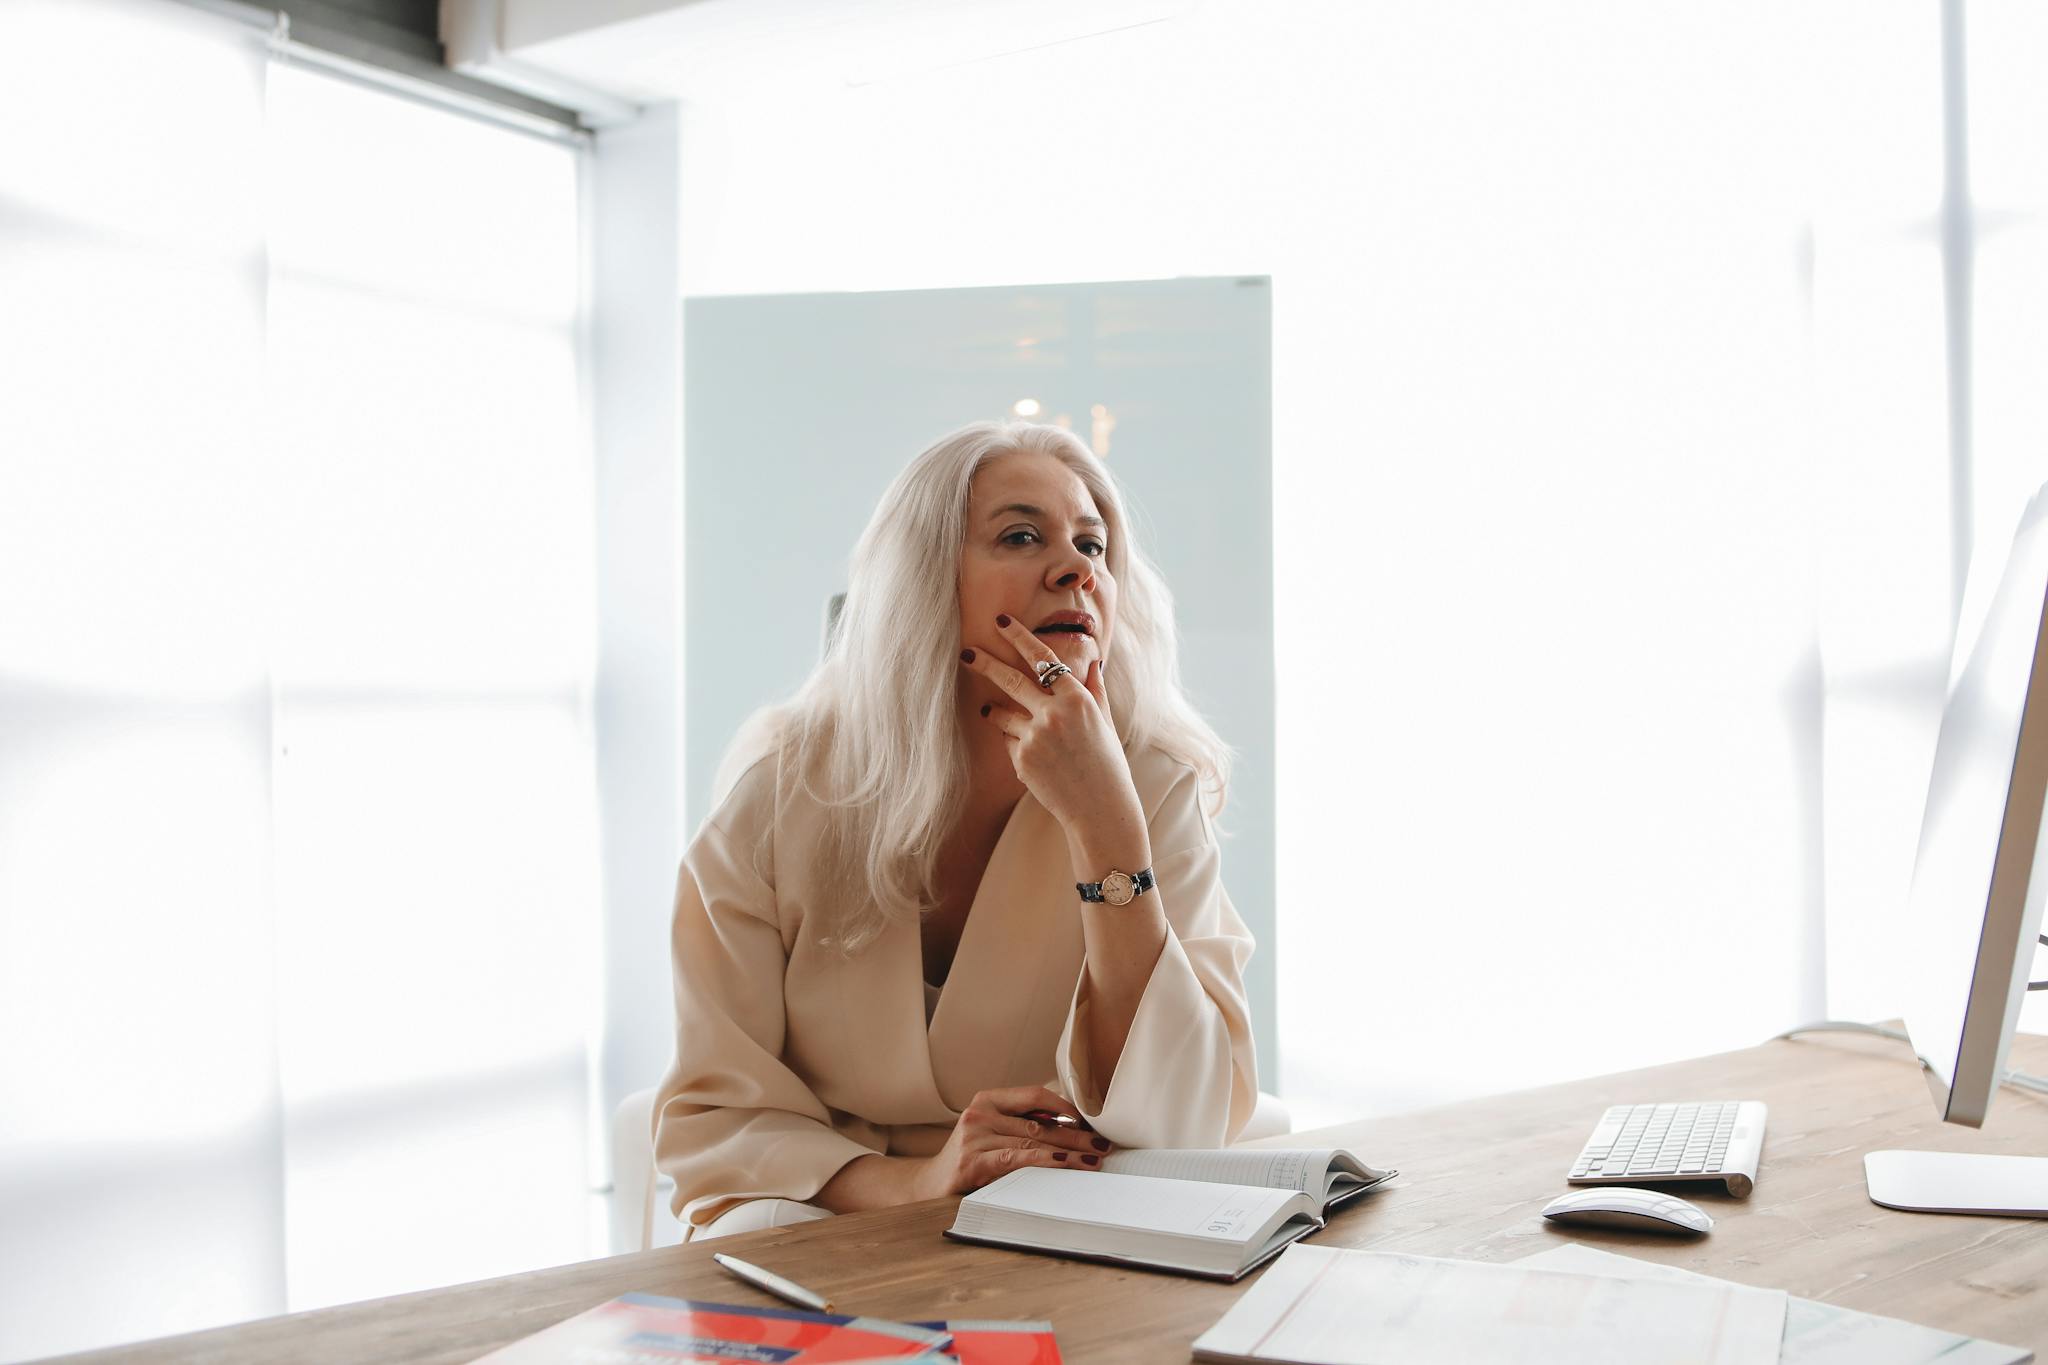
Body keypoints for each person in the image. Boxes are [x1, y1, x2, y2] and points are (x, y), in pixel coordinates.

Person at [653, 419, 1257, 1240]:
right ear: (923, 579)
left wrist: (1106, 830)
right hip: (824, 1226)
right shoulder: (783, 793)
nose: (1078, 567)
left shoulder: (1150, 787)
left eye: (1094, 544)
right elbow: (717, 1115)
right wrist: (923, 1181)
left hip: (1067, 1234)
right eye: (1020, 534)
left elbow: (1187, 1115)